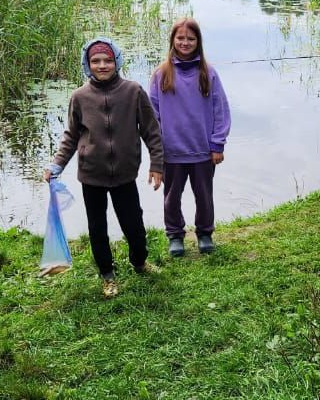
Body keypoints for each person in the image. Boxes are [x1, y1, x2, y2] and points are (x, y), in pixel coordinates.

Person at [44, 37, 163, 298]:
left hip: (125, 175)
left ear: (117, 61)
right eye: (95, 61)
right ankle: (107, 275)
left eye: (107, 60)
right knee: (97, 229)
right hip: (92, 176)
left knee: (134, 225)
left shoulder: (133, 92)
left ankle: (139, 261)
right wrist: (56, 165)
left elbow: (152, 131)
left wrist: (157, 164)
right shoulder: (79, 97)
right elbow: (71, 136)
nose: (102, 65)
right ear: (87, 64)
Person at [149, 17, 231, 257]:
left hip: (203, 151)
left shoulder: (209, 73)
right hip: (171, 152)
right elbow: (151, 116)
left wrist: (217, 143)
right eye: (181, 38)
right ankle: (175, 235)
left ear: (198, 42)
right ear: (173, 40)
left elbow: (221, 110)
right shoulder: (160, 74)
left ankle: (205, 232)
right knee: (171, 198)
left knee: (204, 196)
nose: (185, 42)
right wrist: (157, 150)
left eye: (190, 39)